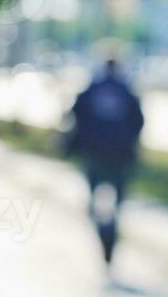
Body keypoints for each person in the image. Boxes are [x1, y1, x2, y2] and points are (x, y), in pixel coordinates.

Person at [61, 52, 144, 273]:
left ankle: (103, 233)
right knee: (116, 203)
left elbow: (74, 116)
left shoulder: (92, 89)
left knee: (93, 202)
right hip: (120, 157)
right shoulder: (127, 92)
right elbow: (139, 122)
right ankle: (111, 234)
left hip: (94, 155)